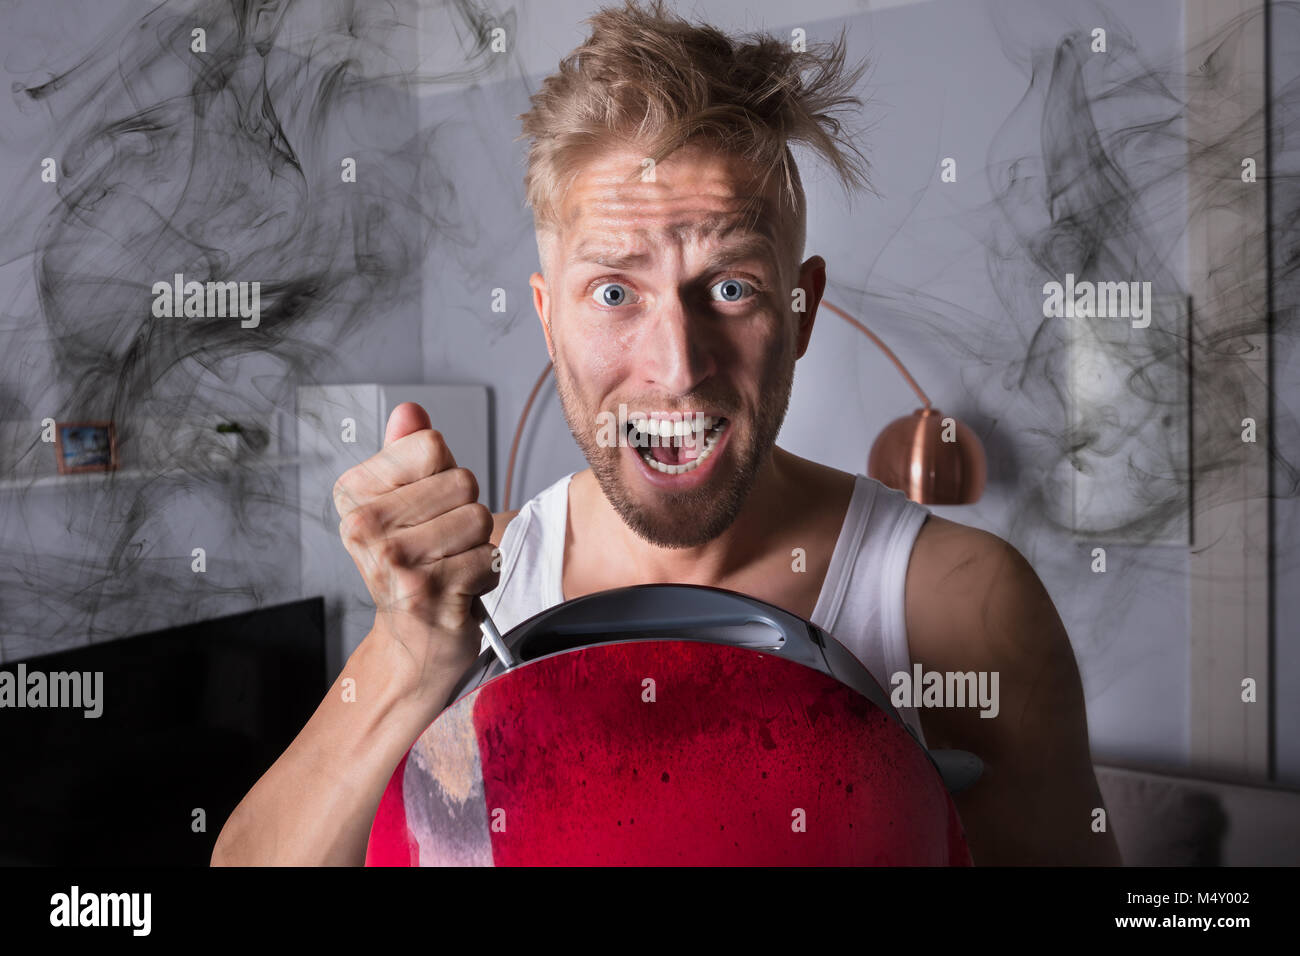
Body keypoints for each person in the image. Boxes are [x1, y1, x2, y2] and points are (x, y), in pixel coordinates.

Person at [213, 0, 1120, 866]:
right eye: (614, 292)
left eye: (730, 286)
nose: (677, 365)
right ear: (548, 320)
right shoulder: (468, 592)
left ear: (800, 310)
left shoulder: (960, 603)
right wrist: (411, 654)